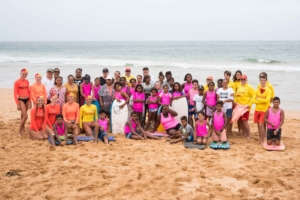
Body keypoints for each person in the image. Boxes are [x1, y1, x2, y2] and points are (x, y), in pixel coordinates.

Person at [252, 76, 272, 144]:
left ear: (266, 81)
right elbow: (253, 100)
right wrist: (260, 100)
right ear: (259, 81)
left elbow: (267, 100)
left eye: (264, 80)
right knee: (258, 125)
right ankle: (260, 139)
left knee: (261, 124)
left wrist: (258, 99)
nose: (262, 81)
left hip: (264, 110)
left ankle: (263, 140)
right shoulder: (256, 90)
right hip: (257, 109)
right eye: (261, 80)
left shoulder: (269, 90)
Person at [234, 75, 254, 139]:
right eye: (241, 79)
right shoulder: (239, 87)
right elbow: (236, 96)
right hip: (238, 106)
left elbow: (254, 96)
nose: (243, 81)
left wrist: (249, 104)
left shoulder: (249, 87)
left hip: (245, 107)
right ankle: (243, 133)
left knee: (244, 121)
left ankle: (248, 134)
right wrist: (235, 102)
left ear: (246, 80)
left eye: (244, 79)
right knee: (240, 121)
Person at [14, 68, 31, 136]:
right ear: (20, 73)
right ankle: (19, 131)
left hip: (27, 99)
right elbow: (15, 93)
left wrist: (30, 101)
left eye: (26, 74)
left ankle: (23, 128)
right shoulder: (17, 82)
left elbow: (29, 91)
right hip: (21, 99)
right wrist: (17, 104)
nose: (24, 75)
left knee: (22, 115)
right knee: (25, 116)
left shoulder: (27, 81)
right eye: (23, 74)